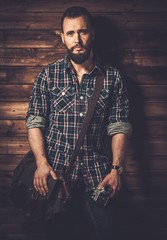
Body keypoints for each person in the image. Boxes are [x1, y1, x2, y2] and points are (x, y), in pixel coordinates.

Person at [26, 6, 132, 240]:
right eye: (71, 33)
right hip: (56, 177)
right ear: (62, 37)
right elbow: (34, 123)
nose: (77, 39)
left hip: (98, 177)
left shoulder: (113, 78)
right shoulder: (48, 75)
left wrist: (116, 170)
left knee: (108, 233)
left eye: (82, 32)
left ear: (92, 34)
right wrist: (41, 164)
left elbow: (119, 126)